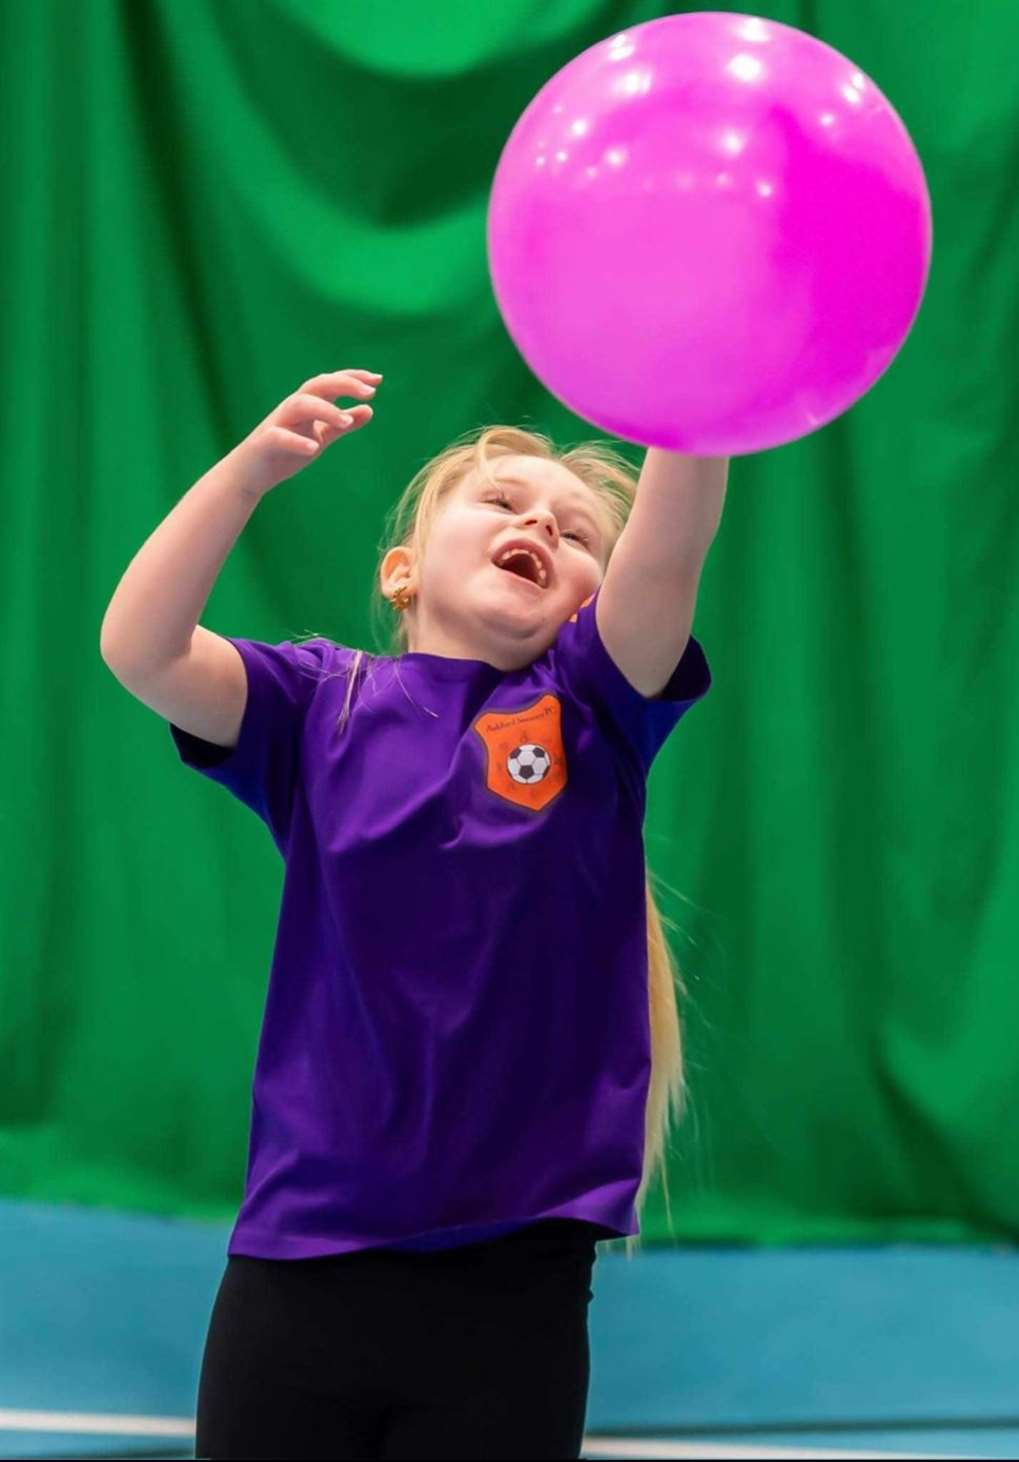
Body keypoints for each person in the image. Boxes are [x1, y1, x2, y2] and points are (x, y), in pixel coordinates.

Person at [99, 369, 728, 1459]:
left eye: (577, 531)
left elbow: (670, 549)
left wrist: (694, 368)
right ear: (402, 571)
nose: (537, 519)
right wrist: (248, 472)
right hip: (299, 1269)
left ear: (595, 600)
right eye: (499, 501)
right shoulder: (315, 707)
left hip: (510, 1289)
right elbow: (141, 648)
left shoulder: (592, 709)